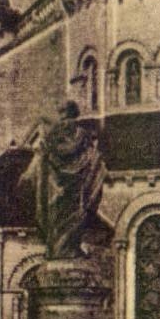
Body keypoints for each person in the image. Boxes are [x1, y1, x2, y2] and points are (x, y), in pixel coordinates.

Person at [32, 102, 106, 259]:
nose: (66, 123)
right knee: (72, 217)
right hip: (74, 188)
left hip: (58, 189)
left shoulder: (55, 136)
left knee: (59, 220)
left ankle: (61, 249)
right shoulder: (81, 134)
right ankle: (66, 249)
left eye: (65, 116)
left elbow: (51, 153)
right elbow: (89, 156)